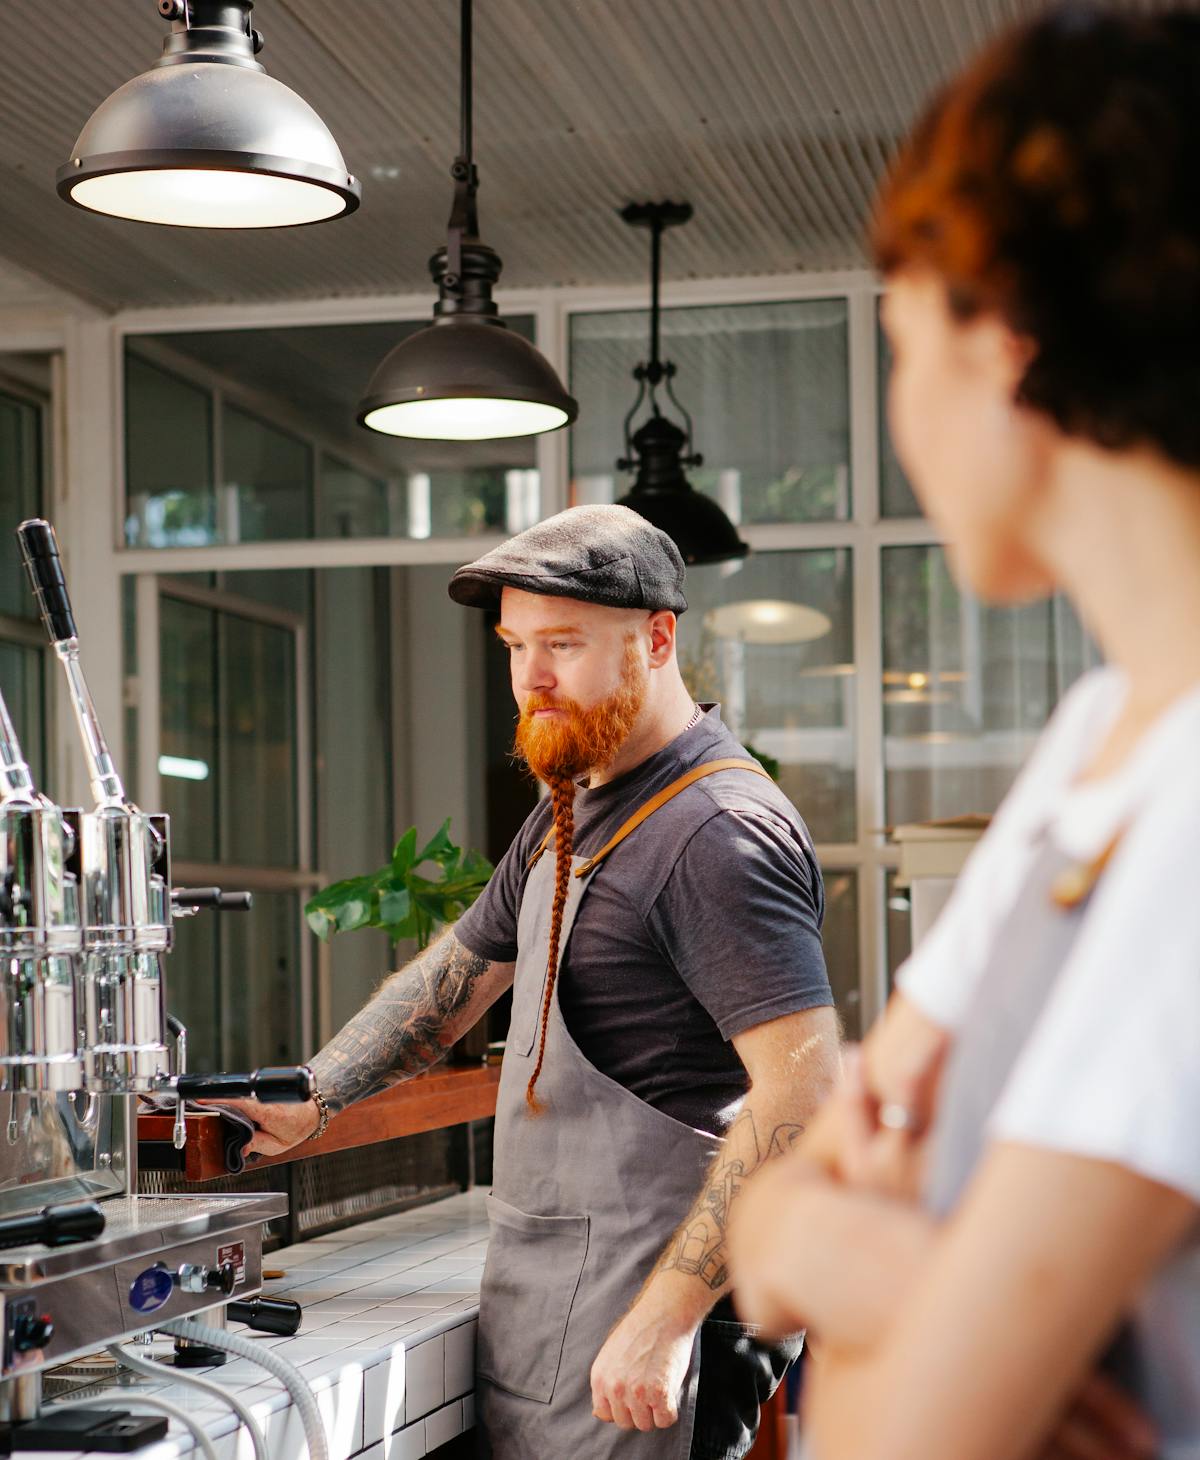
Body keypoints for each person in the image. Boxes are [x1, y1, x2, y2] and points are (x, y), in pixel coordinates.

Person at [728, 9, 1200, 1460]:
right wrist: (908, 1280)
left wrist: (846, 1273)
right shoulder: (1096, 742)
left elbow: (901, 1443)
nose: (902, 410)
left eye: (899, 341)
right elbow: (765, 1232)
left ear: (1003, 335)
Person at [224, 504, 841, 1459]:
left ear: (658, 639)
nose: (532, 678)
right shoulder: (583, 802)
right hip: (562, 1309)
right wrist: (317, 1094)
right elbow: (460, 977)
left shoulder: (714, 832)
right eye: (516, 646)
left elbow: (804, 1095)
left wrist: (666, 1319)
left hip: (650, 1318)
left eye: (563, 643)